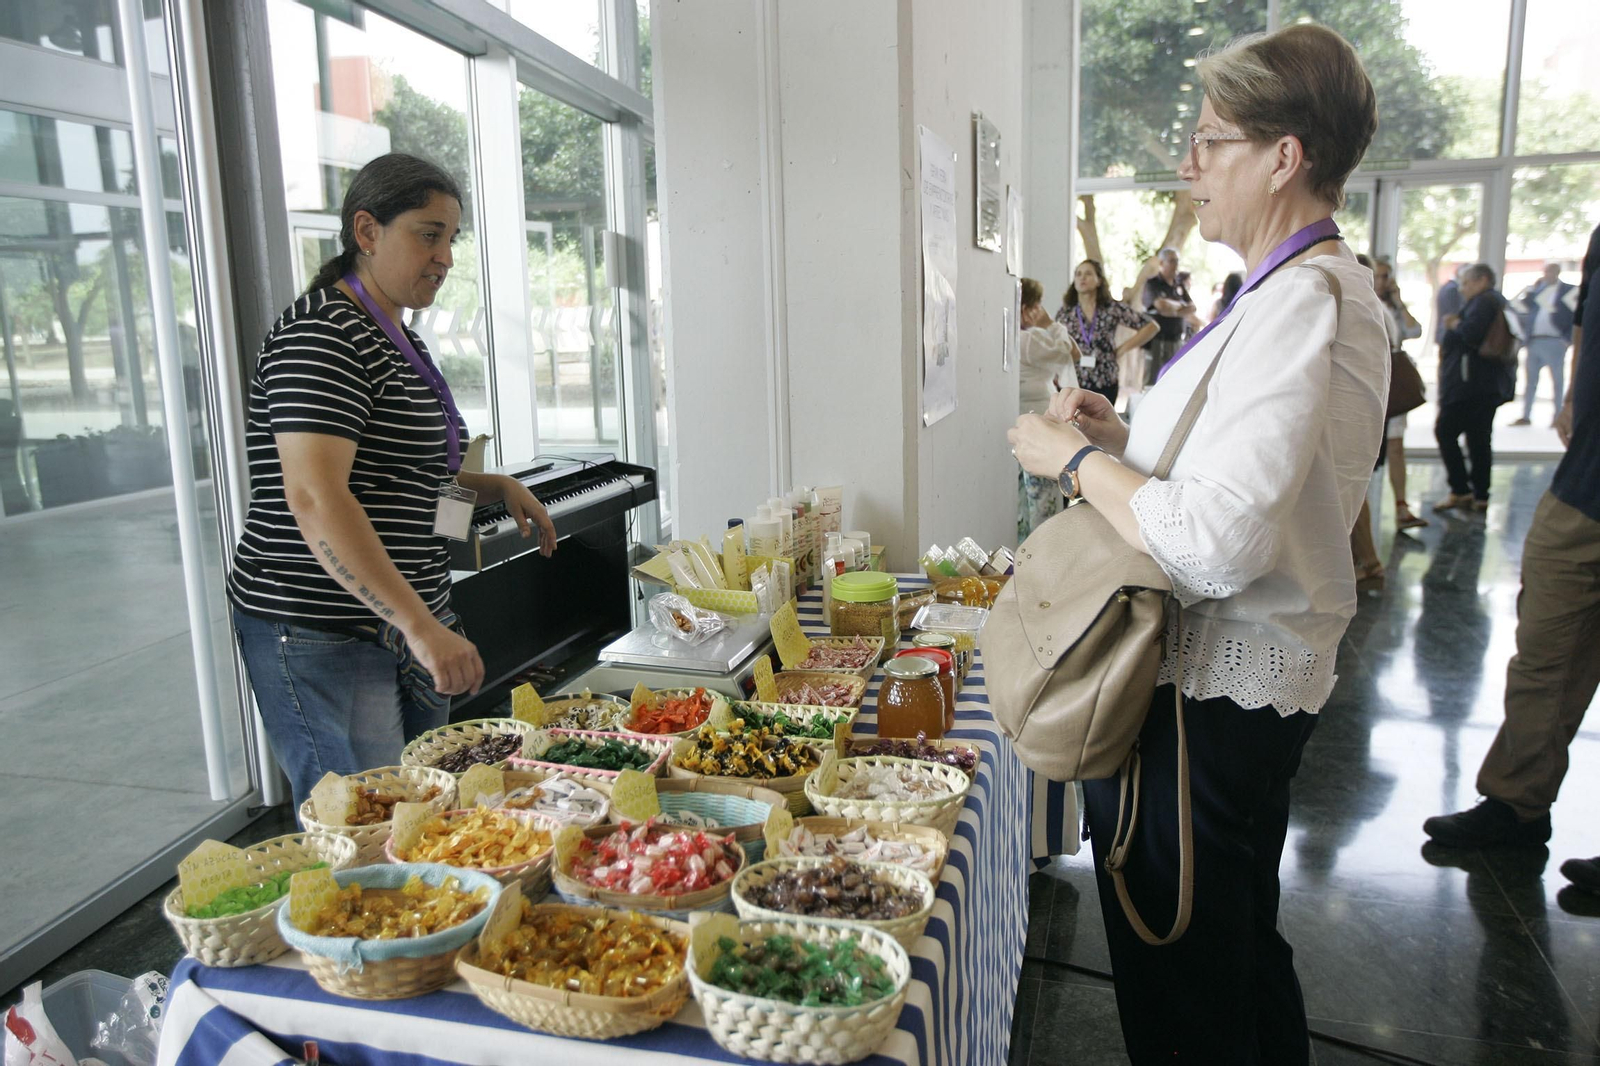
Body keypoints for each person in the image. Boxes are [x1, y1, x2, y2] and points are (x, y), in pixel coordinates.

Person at [1008, 23, 1384, 1063]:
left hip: (1209, 689)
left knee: (1183, 982)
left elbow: (1216, 543)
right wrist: (1125, 439)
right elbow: (1258, 479)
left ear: (1283, 155)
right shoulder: (1291, 290)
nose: (1190, 164)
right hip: (1226, 687)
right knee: (1228, 947)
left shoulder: (1300, 298)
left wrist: (1071, 464)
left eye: (1211, 139)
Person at [227, 153, 558, 811]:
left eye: (451, 238)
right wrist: (419, 626)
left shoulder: (398, 337)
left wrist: (486, 485)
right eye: (428, 233)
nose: (445, 256)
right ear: (368, 231)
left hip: (406, 623)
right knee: (364, 828)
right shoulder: (323, 333)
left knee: (419, 813)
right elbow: (315, 497)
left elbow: (408, 479)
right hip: (331, 631)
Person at [1422, 222, 1600, 872]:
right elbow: (1584, 327)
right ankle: (1518, 805)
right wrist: (1577, 397)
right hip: (1582, 485)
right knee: (1543, 658)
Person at [1433, 263, 1513, 513]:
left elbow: (1471, 333)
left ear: (1482, 280)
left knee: (1446, 431)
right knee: (1479, 439)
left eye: (1467, 283)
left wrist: (1454, 324)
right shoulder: (1496, 301)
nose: (1463, 289)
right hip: (1483, 386)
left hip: (1470, 385)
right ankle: (1479, 494)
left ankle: (1462, 490)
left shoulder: (1484, 302)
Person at [1018, 276, 1082, 539]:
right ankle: (1047, 545)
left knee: (1025, 500)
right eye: (1037, 305)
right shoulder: (1029, 340)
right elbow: (1071, 351)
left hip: (1024, 420)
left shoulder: (1023, 338)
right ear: (1027, 307)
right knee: (1043, 497)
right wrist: (1051, 324)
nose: (1039, 311)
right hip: (1039, 422)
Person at [1055, 258, 1158, 408]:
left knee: (1101, 427)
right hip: (1073, 381)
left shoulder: (1111, 308)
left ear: (1098, 280)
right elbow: (1057, 344)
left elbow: (1151, 326)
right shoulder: (1066, 312)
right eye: (1078, 274)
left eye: (1088, 274)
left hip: (1105, 379)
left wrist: (1122, 349)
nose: (1082, 278)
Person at [1372, 255, 1427, 530]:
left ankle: (1401, 505)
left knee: (1396, 444)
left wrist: (1399, 300)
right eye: (1380, 275)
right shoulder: (1365, 302)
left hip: (1391, 384)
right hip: (1374, 382)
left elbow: (1415, 330)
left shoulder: (1391, 307)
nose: (1384, 281)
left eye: (1387, 276)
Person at [1509, 262, 1577, 426]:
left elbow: (1575, 315)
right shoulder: (1538, 290)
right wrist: (1529, 289)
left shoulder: (1568, 290)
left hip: (1555, 341)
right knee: (1530, 381)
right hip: (1535, 340)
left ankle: (1557, 416)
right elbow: (1516, 305)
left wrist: (1567, 340)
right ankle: (1526, 415)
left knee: (1557, 381)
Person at [1141, 247, 1197, 380]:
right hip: (1157, 340)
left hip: (1176, 340)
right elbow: (1160, 305)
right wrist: (1180, 307)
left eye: (1177, 261)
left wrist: (1172, 309)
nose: (1176, 265)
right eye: (1172, 261)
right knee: (1152, 379)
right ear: (1161, 263)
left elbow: (1193, 307)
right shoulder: (1153, 283)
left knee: (1173, 378)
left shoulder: (1179, 285)